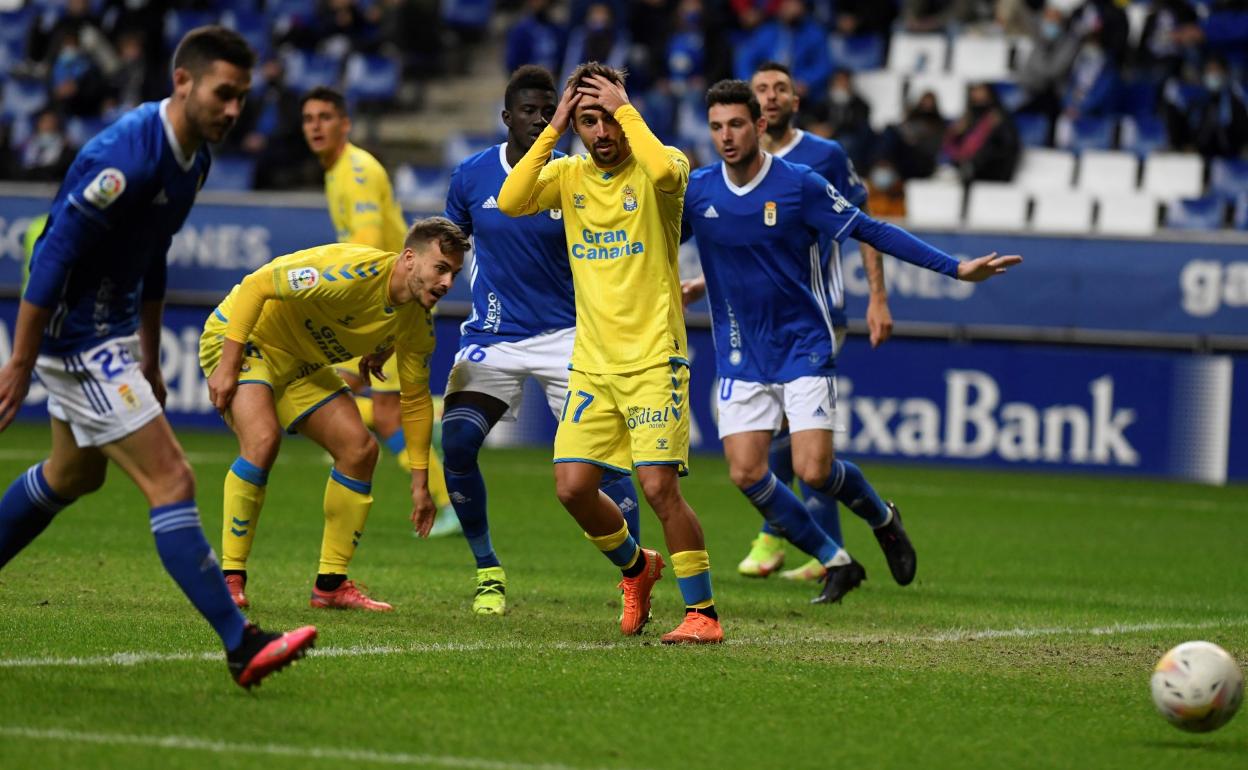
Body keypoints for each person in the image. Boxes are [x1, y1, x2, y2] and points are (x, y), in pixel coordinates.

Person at [0, 26, 315, 689]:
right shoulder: (127, 159)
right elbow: (52, 253)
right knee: (171, 480)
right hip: (73, 335)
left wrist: (148, 355)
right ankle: (240, 644)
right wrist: (22, 361)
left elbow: (154, 253)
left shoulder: (194, 158)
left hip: (109, 332)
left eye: (242, 99)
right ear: (182, 82)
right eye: (223, 95)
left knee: (72, 475)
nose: (233, 111)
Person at [683, 79, 1022, 603]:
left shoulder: (799, 185)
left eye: (736, 124)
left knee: (812, 470)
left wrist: (955, 268)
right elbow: (650, 240)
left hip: (802, 345)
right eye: (716, 127)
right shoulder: (700, 190)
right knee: (747, 473)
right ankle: (836, 561)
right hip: (738, 353)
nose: (726, 136)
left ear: (759, 125)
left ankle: (883, 519)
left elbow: (872, 230)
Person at [499, 62, 722, 644]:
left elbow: (668, 175)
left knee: (657, 487)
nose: (601, 133)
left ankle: (703, 614)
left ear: (627, 115)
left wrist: (625, 109)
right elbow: (510, 198)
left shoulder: (660, 166)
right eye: (588, 121)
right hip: (593, 364)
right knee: (571, 487)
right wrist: (557, 127)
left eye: (608, 120)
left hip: (654, 358)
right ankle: (637, 567)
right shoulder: (569, 174)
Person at [441, 65, 642, 616]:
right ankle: (488, 571)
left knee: (608, 464)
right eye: (529, 111)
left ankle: (633, 574)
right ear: (507, 117)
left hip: (570, 335)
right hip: (494, 334)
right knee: (455, 444)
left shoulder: (577, 176)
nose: (539, 119)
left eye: (549, 109)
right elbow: (449, 250)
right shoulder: (471, 176)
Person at [199, 218, 468, 613]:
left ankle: (331, 585)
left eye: (454, 274)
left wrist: (419, 483)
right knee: (262, 439)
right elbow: (257, 285)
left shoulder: (416, 324)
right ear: (409, 259)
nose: (447, 283)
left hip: (301, 363)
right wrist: (227, 365)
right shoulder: (350, 272)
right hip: (246, 338)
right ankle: (230, 579)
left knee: (360, 450)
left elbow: (413, 402)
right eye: (440, 268)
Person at [717, 60, 891, 583]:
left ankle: (779, 536)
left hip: (816, 312)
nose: (770, 96)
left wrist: (877, 297)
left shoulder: (824, 157)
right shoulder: (736, 159)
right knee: (787, 441)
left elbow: (863, 227)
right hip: (754, 322)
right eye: (761, 89)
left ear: (795, 101)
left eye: (780, 89)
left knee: (791, 434)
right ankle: (826, 545)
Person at [299, 85, 460, 542]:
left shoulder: (356, 172)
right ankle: (440, 470)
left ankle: (427, 462)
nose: (315, 125)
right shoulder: (338, 172)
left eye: (325, 116)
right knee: (384, 411)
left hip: (385, 307)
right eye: (308, 117)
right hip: (386, 306)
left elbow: (365, 248)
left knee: (330, 389)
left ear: (345, 124)